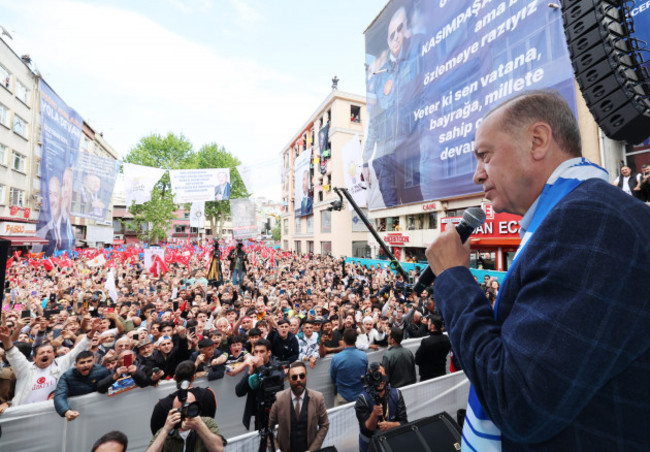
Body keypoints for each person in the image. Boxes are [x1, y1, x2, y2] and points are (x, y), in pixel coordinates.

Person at [426, 91, 650, 450]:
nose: (476, 175)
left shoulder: (590, 221)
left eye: (485, 155)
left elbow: (519, 402)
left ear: (538, 141)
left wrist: (454, 278)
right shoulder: (577, 214)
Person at [363, 5, 423, 208]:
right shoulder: (381, 76)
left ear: (407, 30)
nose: (396, 36)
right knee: (393, 209)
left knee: (416, 201)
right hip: (383, 155)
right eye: (391, 34)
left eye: (400, 29)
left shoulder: (417, 54)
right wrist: (365, 161)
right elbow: (373, 123)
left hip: (408, 147)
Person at [0, 320, 98, 406]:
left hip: (51, 412)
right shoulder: (25, 368)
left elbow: (78, 349)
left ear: (54, 354)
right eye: (42, 353)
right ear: (34, 358)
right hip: (26, 413)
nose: (45, 354)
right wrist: (6, 340)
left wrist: (92, 331)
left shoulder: (61, 363)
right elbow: (14, 355)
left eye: (49, 352)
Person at [268, 361, 329, 452]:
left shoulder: (317, 398)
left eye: (302, 376)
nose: (299, 379)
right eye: (294, 377)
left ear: (306, 377)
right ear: (289, 379)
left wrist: (312, 450)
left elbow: (324, 425)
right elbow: (268, 428)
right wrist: (277, 450)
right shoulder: (279, 399)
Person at [150, 360, 218, 436]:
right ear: (193, 377)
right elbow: (211, 416)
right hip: (205, 439)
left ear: (175, 377)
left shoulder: (161, 405)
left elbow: (156, 433)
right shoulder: (208, 394)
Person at [146, 392, 226, 452]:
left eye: (192, 408)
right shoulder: (167, 430)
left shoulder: (206, 423)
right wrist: (166, 429)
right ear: (174, 411)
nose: (187, 414)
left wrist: (200, 426)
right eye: (181, 410)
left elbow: (218, 449)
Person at [354, 363, 408, 452]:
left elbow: (404, 422)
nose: (380, 380)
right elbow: (366, 431)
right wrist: (374, 415)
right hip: (370, 447)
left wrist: (391, 425)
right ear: (370, 378)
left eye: (382, 376)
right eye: (376, 376)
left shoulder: (396, 394)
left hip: (392, 443)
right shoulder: (362, 399)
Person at [234, 338, 284, 430]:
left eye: (261, 352)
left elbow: (273, 387)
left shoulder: (276, 365)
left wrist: (261, 367)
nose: (258, 355)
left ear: (269, 353)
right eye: (256, 352)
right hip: (259, 412)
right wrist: (249, 373)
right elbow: (239, 392)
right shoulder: (253, 367)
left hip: (275, 411)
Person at [53, 350, 111, 420]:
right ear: (75, 365)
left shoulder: (102, 371)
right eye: (82, 362)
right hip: (77, 414)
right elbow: (59, 396)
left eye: (89, 361)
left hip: (100, 411)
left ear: (94, 361)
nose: (86, 365)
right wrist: (67, 411)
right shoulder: (67, 377)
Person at [329, 328, 368, 406]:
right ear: (356, 339)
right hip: (359, 395)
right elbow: (364, 373)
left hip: (342, 396)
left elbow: (333, 377)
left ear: (343, 339)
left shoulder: (336, 358)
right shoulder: (363, 356)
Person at [414, 314, 450, 381]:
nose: (427, 323)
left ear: (433, 326)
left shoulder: (426, 342)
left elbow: (417, 360)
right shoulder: (446, 339)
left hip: (427, 377)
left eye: (429, 322)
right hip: (441, 374)